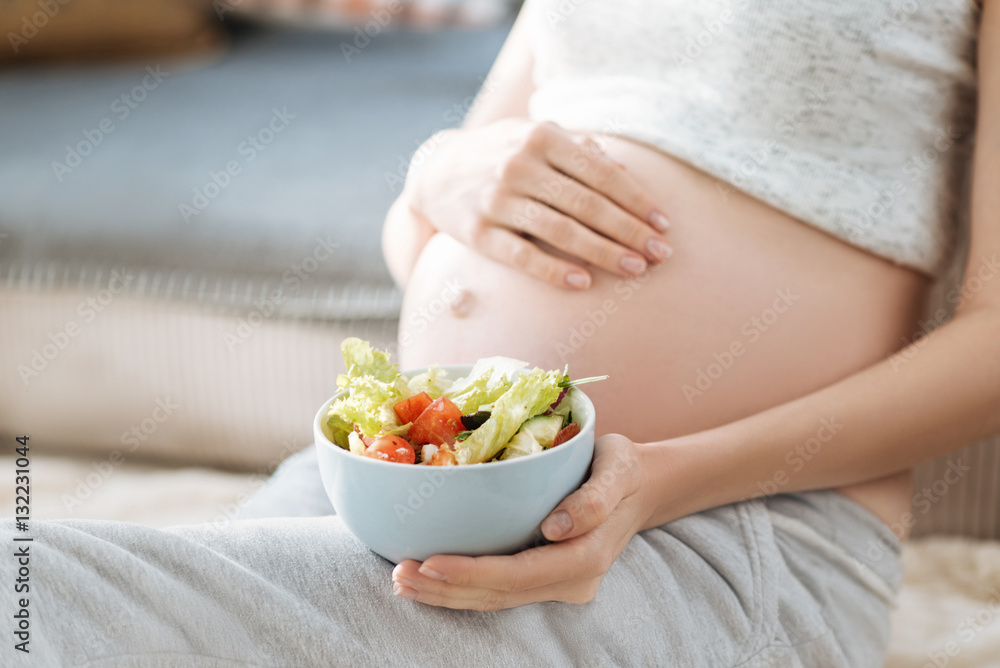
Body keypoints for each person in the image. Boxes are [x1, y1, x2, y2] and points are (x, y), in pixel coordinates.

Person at [9, 1, 999, 666]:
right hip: (419, 472)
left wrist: (662, 474)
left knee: (46, 595)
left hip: (723, 533)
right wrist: (440, 171)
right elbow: (431, 224)